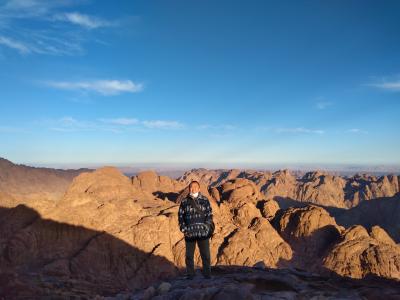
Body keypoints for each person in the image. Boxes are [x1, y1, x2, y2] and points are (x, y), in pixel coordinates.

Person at [178, 180, 214, 279]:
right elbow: (180, 216)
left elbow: (209, 215)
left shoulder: (205, 200)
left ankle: (207, 275)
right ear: (188, 188)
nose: (192, 189)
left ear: (199, 188)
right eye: (190, 187)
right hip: (189, 233)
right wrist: (184, 229)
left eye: (194, 187)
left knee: (205, 255)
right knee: (189, 256)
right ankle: (190, 275)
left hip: (203, 233)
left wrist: (206, 228)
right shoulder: (184, 201)